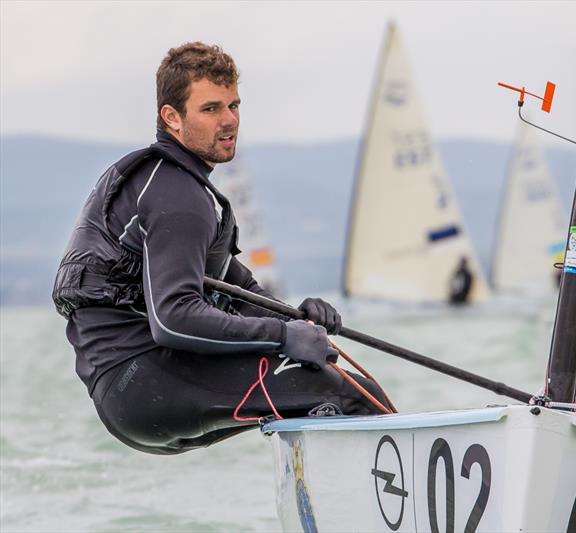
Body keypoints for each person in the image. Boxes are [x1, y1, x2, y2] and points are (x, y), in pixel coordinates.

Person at [52, 42, 387, 455]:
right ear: (171, 117)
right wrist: (284, 336)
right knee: (357, 400)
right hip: (144, 379)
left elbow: (236, 288)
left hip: (130, 395)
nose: (229, 121)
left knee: (335, 393)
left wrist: (300, 319)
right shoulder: (178, 196)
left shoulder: (166, 183)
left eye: (234, 105)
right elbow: (173, 319)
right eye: (211, 109)